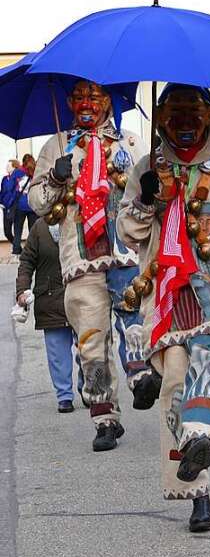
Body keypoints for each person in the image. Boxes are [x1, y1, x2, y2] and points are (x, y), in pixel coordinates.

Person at [116, 84, 210, 533]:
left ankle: (199, 442)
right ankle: (195, 487)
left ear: (208, 117)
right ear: (161, 119)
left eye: (193, 112)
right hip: (164, 289)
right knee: (176, 380)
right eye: (174, 112)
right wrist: (145, 199)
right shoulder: (147, 166)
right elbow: (128, 233)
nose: (184, 121)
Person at [28, 82, 155, 452]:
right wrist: (55, 176)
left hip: (125, 250)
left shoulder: (130, 143)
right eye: (80, 97)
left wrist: (149, 188)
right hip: (80, 257)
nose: (87, 104)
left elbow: (151, 193)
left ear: (108, 102)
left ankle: (141, 377)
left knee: (134, 317)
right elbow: (37, 202)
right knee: (90, 338)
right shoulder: (56, 146)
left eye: (94, 97)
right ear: (69, 103)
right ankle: (104, 416)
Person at [12, 218, 77, 413]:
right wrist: (22, 289)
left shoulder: (79, 219)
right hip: (50, 299)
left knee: (88, 347)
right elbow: (26, 261)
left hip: (80, 297)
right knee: (57, 353)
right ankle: (64, 395)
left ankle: (89, 388)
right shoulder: (39, 228)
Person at [11, 154, 37, 254]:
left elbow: (11, 188)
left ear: (23, 162)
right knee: (33, 231)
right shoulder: (36, 172)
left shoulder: (17, 172)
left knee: (18, 230)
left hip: (20, 205)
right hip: (32, 204)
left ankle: (16, 250)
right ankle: (32, 251)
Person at [2, 159, 20, 244]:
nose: (6, 167)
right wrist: (1, 202)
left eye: (8, 166)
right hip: (5, 208)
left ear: (14, 167)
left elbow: (15, 193)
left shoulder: (18, 178)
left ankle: (17, 250)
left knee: (17, 231)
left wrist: (9, 204)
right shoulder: (5, 179)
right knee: (7, 232)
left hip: (15, 207)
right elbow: (2, 192)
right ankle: (19, 248)